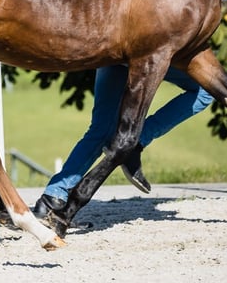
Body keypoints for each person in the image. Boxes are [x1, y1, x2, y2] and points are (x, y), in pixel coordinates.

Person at [33, 63, 215, 218]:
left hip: (111, 51)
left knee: (101, 130)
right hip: (142, 50)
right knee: (204, 90)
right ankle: (137, 140)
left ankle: (52, 198)